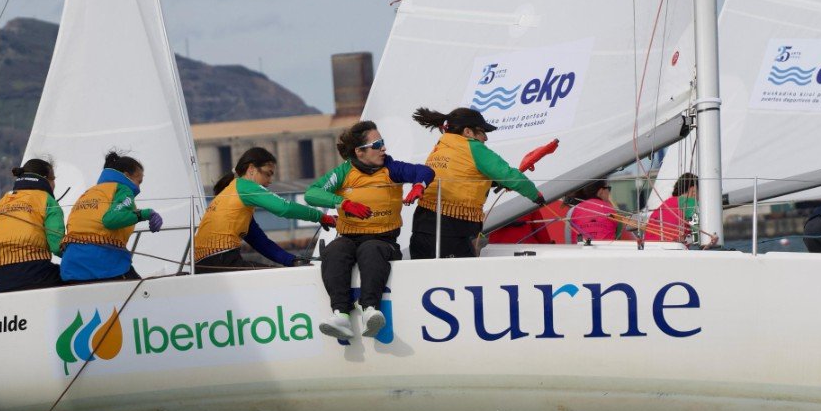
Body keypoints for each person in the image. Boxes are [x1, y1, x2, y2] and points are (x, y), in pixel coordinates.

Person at [304, 121, 434, 339]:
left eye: (383, 143)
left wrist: (419, 185)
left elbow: (424, 171)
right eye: (378, 144)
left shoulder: (391, 168)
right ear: (360, 152)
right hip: (349, 236)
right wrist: (343, 203)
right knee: (334, 251)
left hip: (382, 239)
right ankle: (340, 315)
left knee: (371, 250)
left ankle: (370, 310)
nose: (384, 148)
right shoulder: (344, 171)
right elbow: (311, 193)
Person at [408, 106, 556, 259]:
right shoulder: (473, 147)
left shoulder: (440, 147)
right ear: (467, 132)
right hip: (451, 229)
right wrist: (535, 195)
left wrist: (492, 182)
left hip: (422, 225)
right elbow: (508, 174)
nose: (485, 137)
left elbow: (461, 174)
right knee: (459, 279)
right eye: (482, 132)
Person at [194, 147, 330, 272]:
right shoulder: (245, 186)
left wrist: (291, 261)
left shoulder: (234, 193)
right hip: (220, 260)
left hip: (204, 263)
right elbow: (284, 208)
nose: (270, 181)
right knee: (281, 279)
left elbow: (260, 242)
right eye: (268, 174)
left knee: (278, 275)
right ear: (251, 169)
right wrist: (320, 216)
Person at [60, 151, 164, 282]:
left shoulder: (90, 192)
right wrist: (146, 214)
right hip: (103, 264)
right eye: (139, 181)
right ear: (127, 176)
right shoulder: (123, 190)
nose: (139, 187)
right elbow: (110, 220)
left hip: (71, 267)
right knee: (141, 293)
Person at [0, 158, 65, 292]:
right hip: (37, 274)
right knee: (74, 276)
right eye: (53, 178)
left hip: (3, 280)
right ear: (46, 179)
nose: (54, 184)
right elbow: (57, 246)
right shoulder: (47, 200)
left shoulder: (3, 202)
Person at [643, 173, 698, 244]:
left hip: (650, 250)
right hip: (672, 251)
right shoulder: (690, 204)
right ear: (693, 191)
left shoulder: (665, 205)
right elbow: (699, 237)